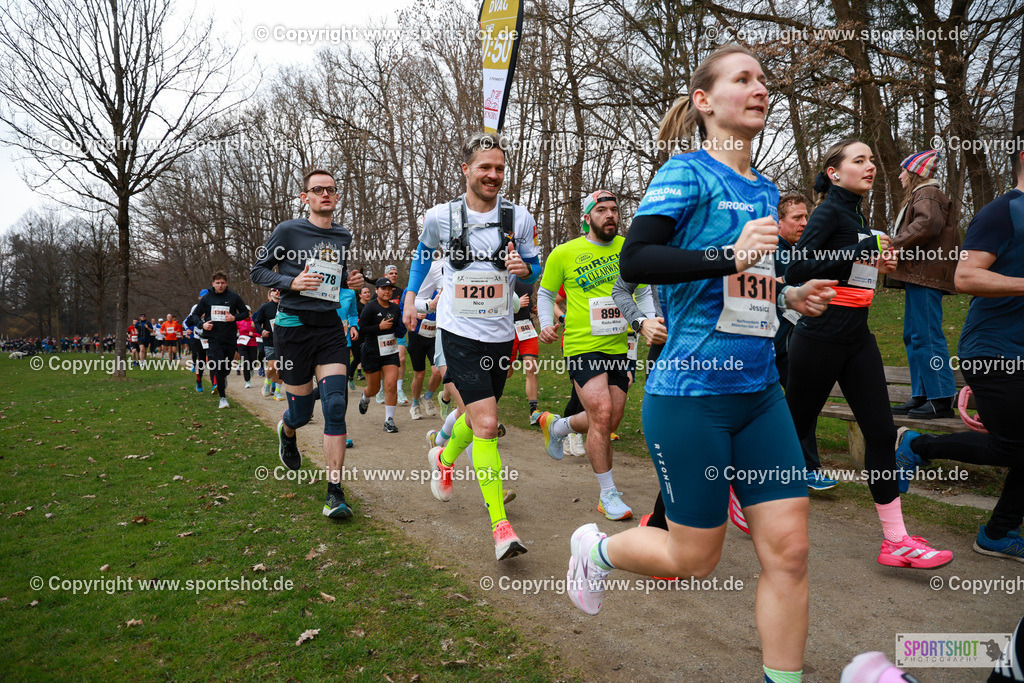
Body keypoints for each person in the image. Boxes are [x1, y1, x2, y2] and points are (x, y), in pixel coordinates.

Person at [565, 45, 839, 683]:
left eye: (764, 80)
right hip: (692, 392)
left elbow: (751, 278)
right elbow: (636, 262)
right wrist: (727, 255)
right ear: (704, 101)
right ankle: (596, 550)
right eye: (742, 79)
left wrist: (790, 297)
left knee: (791, 552)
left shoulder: (764, 187)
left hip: (761, 392)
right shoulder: (685, 172)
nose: (760, 88)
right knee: (693, 558)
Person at [784, 139, 953, 569]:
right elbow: (799, 268)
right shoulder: (828, 211)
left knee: (880, 433)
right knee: (791, 431)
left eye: (872, 160)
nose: (871, 166)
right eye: (859, 160)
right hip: (820, 336)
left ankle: (895, 541)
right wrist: (856, 252)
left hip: (857, 337)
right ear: (835, 172)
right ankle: (732, 491)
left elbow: (851, 268)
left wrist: (879, 263)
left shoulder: (858, 214)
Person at [402, 132, 541, 561]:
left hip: (499, 332)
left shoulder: (518, 217)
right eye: (485, 167)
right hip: (457, 331)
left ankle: (444, 457)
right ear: (466, 169)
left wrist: (525, 269)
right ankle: (501, 527)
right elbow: (424, 255)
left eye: (499, 168)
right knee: (486, 423)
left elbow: (534, 267)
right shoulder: (440, 216)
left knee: (474, 417)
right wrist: (410, 297)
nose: (493, 175)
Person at [895, 128, 1024, 563]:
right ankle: (918, 443)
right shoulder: (1004, 212)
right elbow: (966, 277)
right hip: (995, 349)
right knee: (1012, 447)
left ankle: (999, 531)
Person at [251, 168, 364, 519]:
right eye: (318, 190)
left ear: (336, 195)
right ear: (306, 197)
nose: (325, 194)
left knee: (334, 404)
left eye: (331, 189)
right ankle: (287, 431)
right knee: (301, 413)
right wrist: (291, 282)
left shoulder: (343, 236)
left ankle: (334, 493)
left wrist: (352, 279)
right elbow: (258, 271)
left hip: (329, 328)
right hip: (293, 329)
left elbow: (333, 275)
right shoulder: (288, 230)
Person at [537, 190, 654, 521]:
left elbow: (642, 292)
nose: (610, 215)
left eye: (614, 209)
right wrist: (546, 323)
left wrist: (647, 324)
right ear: (587, 217)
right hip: (581, 345)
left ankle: (558, 427)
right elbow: (545, 294)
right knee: (601, 411)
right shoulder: (565, 253)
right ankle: (608, 494)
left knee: (610, 419)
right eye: (601, 210)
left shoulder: (629, 249)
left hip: (618, 345)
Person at [886, 149, 960, 419]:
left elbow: (928, 224)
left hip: (925, 275)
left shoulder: (928, 194)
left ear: (916, 172)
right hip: (917, 275)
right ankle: (921, 394)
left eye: (904, 170)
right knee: (914, 335)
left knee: (927, 335)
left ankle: (941, 396)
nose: (899, 175)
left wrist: (892, 245)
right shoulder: (922, 195)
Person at [774, 193, 833, 490]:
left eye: (806, 217)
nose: (804, 223)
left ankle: (807, 468)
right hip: (762, 347)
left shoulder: (802, 251)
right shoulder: (766, 251)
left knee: (802, 402)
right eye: (797, 218)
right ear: (778, 222)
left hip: (791, 345)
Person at [192, 273, 250, 408]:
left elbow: (245, 313)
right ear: (213, 283)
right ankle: (223, 398)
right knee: (218, 365)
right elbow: (194, 315)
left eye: (223, 283)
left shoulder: (234, 297)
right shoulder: (207, 298)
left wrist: (234, 318)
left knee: (226, 367)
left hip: (229, 338)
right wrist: (203, 325)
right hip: (214, 338)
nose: (220, 285)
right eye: (217, 283)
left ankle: (222, 378)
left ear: (227, 283)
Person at [357, 278, 406, 432]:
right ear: (377, 290)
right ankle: (365, 396)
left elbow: (399, 330)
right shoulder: (371, 307)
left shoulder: (395, 309)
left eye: (390, 289)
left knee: (391, 384)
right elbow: (362, 329)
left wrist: (405, 325)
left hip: (390, 352)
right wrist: (379, 326)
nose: (387, 292)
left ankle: (389, 420)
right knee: (373, 388)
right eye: (384, 289)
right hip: (371, 352)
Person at [400, 277, 441, 420]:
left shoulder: (440, 289)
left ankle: (427, 397)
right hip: (417, 336)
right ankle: (415, 404)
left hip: (435, 337)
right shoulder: (412, 290)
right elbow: (402, 310)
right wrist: (415, 314)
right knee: (420, 374)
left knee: (438, 372)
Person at [376, 265, 411, 406]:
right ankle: (380, 389)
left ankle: (399, 389)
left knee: (401, 359)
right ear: (385, 275)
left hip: (398, 332)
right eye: (391, 273)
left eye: (396, 273)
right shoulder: (378, 292)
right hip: (382, 334)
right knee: (382, 362)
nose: (394, 275)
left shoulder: (402, 292)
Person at [251, 287, 284, 400]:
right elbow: (257, 322)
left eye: (279, 290)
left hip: (284, 341)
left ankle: (277, 392)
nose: (277, 292)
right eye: (274, 290)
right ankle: (268, 382)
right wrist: (262, 331)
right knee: (272, 365)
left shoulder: (287, 306)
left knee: (283, 367)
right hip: (270, 340)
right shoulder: (265, 307)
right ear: (270, 294)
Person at [183, 291, 210, 392]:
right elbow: (186, 321)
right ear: (199, 298)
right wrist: (187, 329)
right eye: (203, 297)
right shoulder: (195, 307)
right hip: (198, 337)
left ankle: (215, 383)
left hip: (211, 337)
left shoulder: (213, 305)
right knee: (201, 360)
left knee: (214, 359)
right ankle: (199, 380)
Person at [235, 313, 258, 388]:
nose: (247, 314)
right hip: (242, 344)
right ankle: (247, 381)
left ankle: (251, 369)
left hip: (252, 343)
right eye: (245, 312)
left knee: (253, 361)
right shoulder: (238, 321)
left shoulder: (254, 321)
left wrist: (253, 334)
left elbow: (259, 333)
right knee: (245, 362)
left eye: (249, 312)